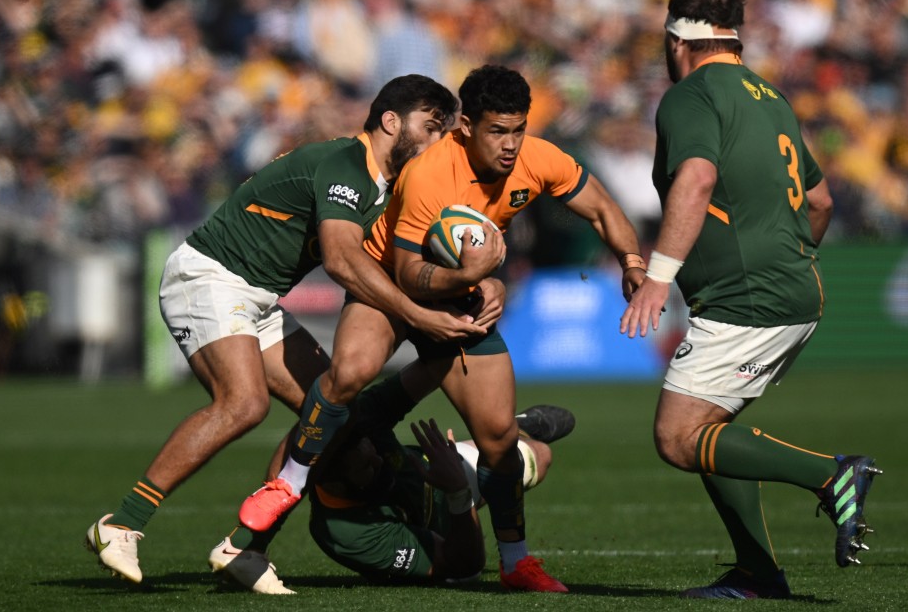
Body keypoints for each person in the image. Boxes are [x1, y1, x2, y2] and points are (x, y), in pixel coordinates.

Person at [237, 64, 645, 593]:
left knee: (498, 437)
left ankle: (516, 562)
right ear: (466, 126)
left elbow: (602, 208)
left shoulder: (539, 159)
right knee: (350, 374)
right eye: (498, 131)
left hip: (460, 296)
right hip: (386, 286)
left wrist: (634, 263)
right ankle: (286, 490)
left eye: (518, 129)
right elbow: (409, 274)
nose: (511, 144)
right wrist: (477, 273)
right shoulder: (431, 171)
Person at [84, 74, 485, 591]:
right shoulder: (347, 166)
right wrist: (419, 313)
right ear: (391, 122)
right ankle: (123, 523)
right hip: (211, 275)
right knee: (243, 403)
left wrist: (476, 283)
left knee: (334, 414)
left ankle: (244, 550)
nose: (434, 143)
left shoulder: (383, 186)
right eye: (430, 128)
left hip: (256, 296)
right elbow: (341, 260)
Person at [620, 0, 882, 600]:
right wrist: (788, 259)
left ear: (676, 36)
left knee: (678, 438)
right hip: (791, 287)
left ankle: (832, 476)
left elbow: (697, 180)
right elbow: (818, 201)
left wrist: (658, 278)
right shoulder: (772, 97)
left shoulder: (689, 96)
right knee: (712, 429)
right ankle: (758, 572)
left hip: (748, 298)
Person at [306, 369, 576, 585]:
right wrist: (458, 490)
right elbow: (464, 563)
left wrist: (440, 339)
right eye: (367, 468)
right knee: (463, 576)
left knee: (540, 456)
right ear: (337, 484)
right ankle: (496, 438)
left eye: (373, 451)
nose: (378, 460)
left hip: (436, 468)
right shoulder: (346, 535)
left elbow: (427, 370)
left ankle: (503, 430)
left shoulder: (362, 419)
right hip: (447, 512)